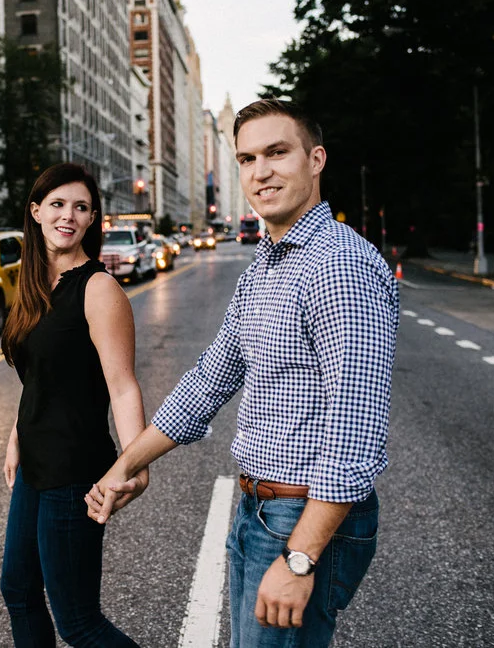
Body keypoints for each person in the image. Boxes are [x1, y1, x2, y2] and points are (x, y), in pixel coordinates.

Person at [84, 99, 400, 647]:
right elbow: (211, 377)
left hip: (301, 518)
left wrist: (299, 560)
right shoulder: (268, 265)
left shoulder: (339, 266)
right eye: (247, 158)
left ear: (316, 159)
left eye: (277, 153)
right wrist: (125, 465)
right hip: (259, 511)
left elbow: (356, 432)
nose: (261, 171)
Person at [0, 163, 147, 647]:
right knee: (19, 591)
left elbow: (122, 385)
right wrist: (16, 437)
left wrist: (133, 462)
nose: (69, 215)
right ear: (36, 211)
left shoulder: (98, 289)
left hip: (75, 470)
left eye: (81, 207)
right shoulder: (32, 286)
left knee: (80, 623)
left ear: (91, 220)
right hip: (36, 466)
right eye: (58, 204)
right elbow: (41, 377)